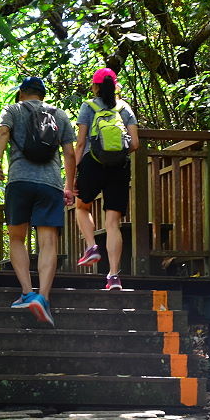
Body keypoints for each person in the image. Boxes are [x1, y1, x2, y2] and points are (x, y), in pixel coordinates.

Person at [0, 76, 76, 326]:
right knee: (48, 242)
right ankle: (43, 297)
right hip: (50, 184)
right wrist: (69, 186)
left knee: (17, 238)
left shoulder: (13, 109)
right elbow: (70, 153)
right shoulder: (59, 115)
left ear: (21, 93)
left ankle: (27, 293)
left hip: (19, 181)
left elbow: (3, 132)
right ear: (42, 95)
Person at [73, 68, 140, 290]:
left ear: (95, 86)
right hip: (119, 167)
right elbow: (135, 144)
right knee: (113, 223)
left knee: (81, 206)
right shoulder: (125, 108)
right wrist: (117, 156)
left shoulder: (88, 106)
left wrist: (74, 173)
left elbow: (81, 143)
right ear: (115, 85)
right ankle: (113, 276)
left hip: (93, 163)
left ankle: (92, 247)